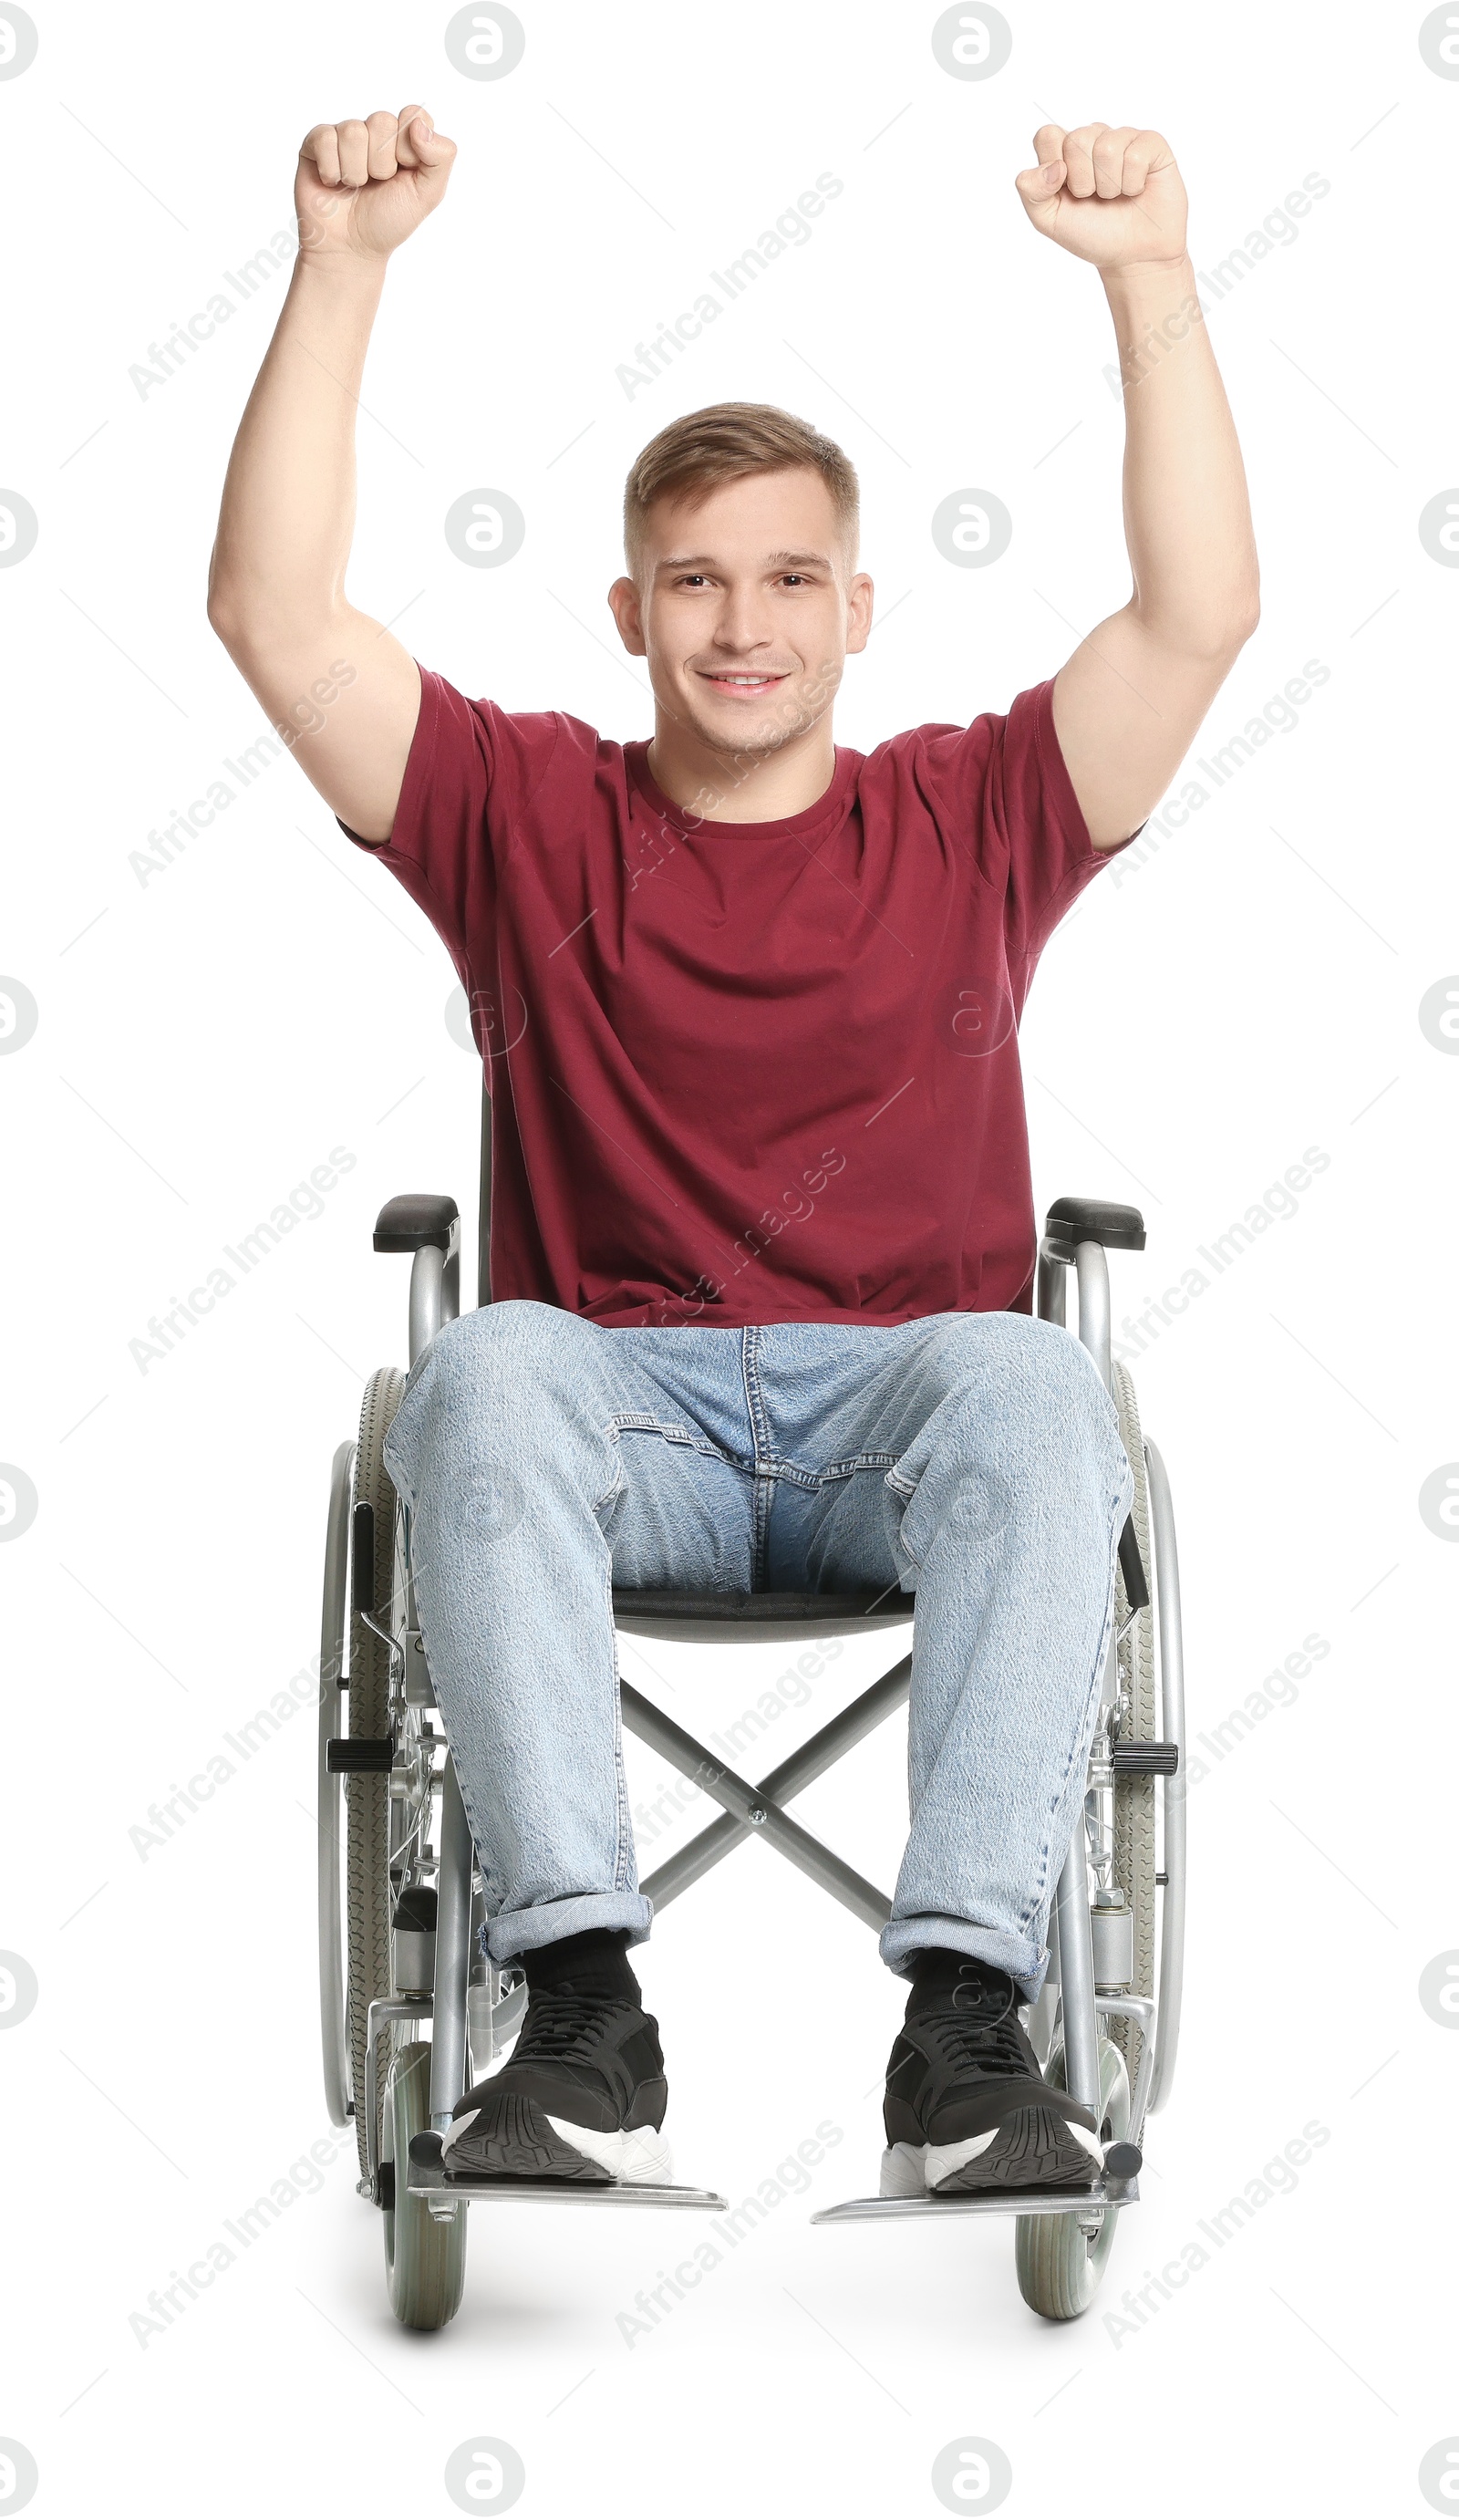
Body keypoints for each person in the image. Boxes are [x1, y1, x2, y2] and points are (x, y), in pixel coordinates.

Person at [209, 107, 1256, 2196]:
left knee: (1042, 1375)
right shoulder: (526, 815)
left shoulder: (969, 816)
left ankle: (966, 2021)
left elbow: (1197, 614)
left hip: (904, 1409)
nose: (741, 621)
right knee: (479, 1362)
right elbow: (270, 608)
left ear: (860, 608)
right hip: (623, 1426)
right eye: (694, 580)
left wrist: (1148, 281)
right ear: (628, 606)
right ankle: (579, 2006)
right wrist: (341, 268)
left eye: (788, 578)